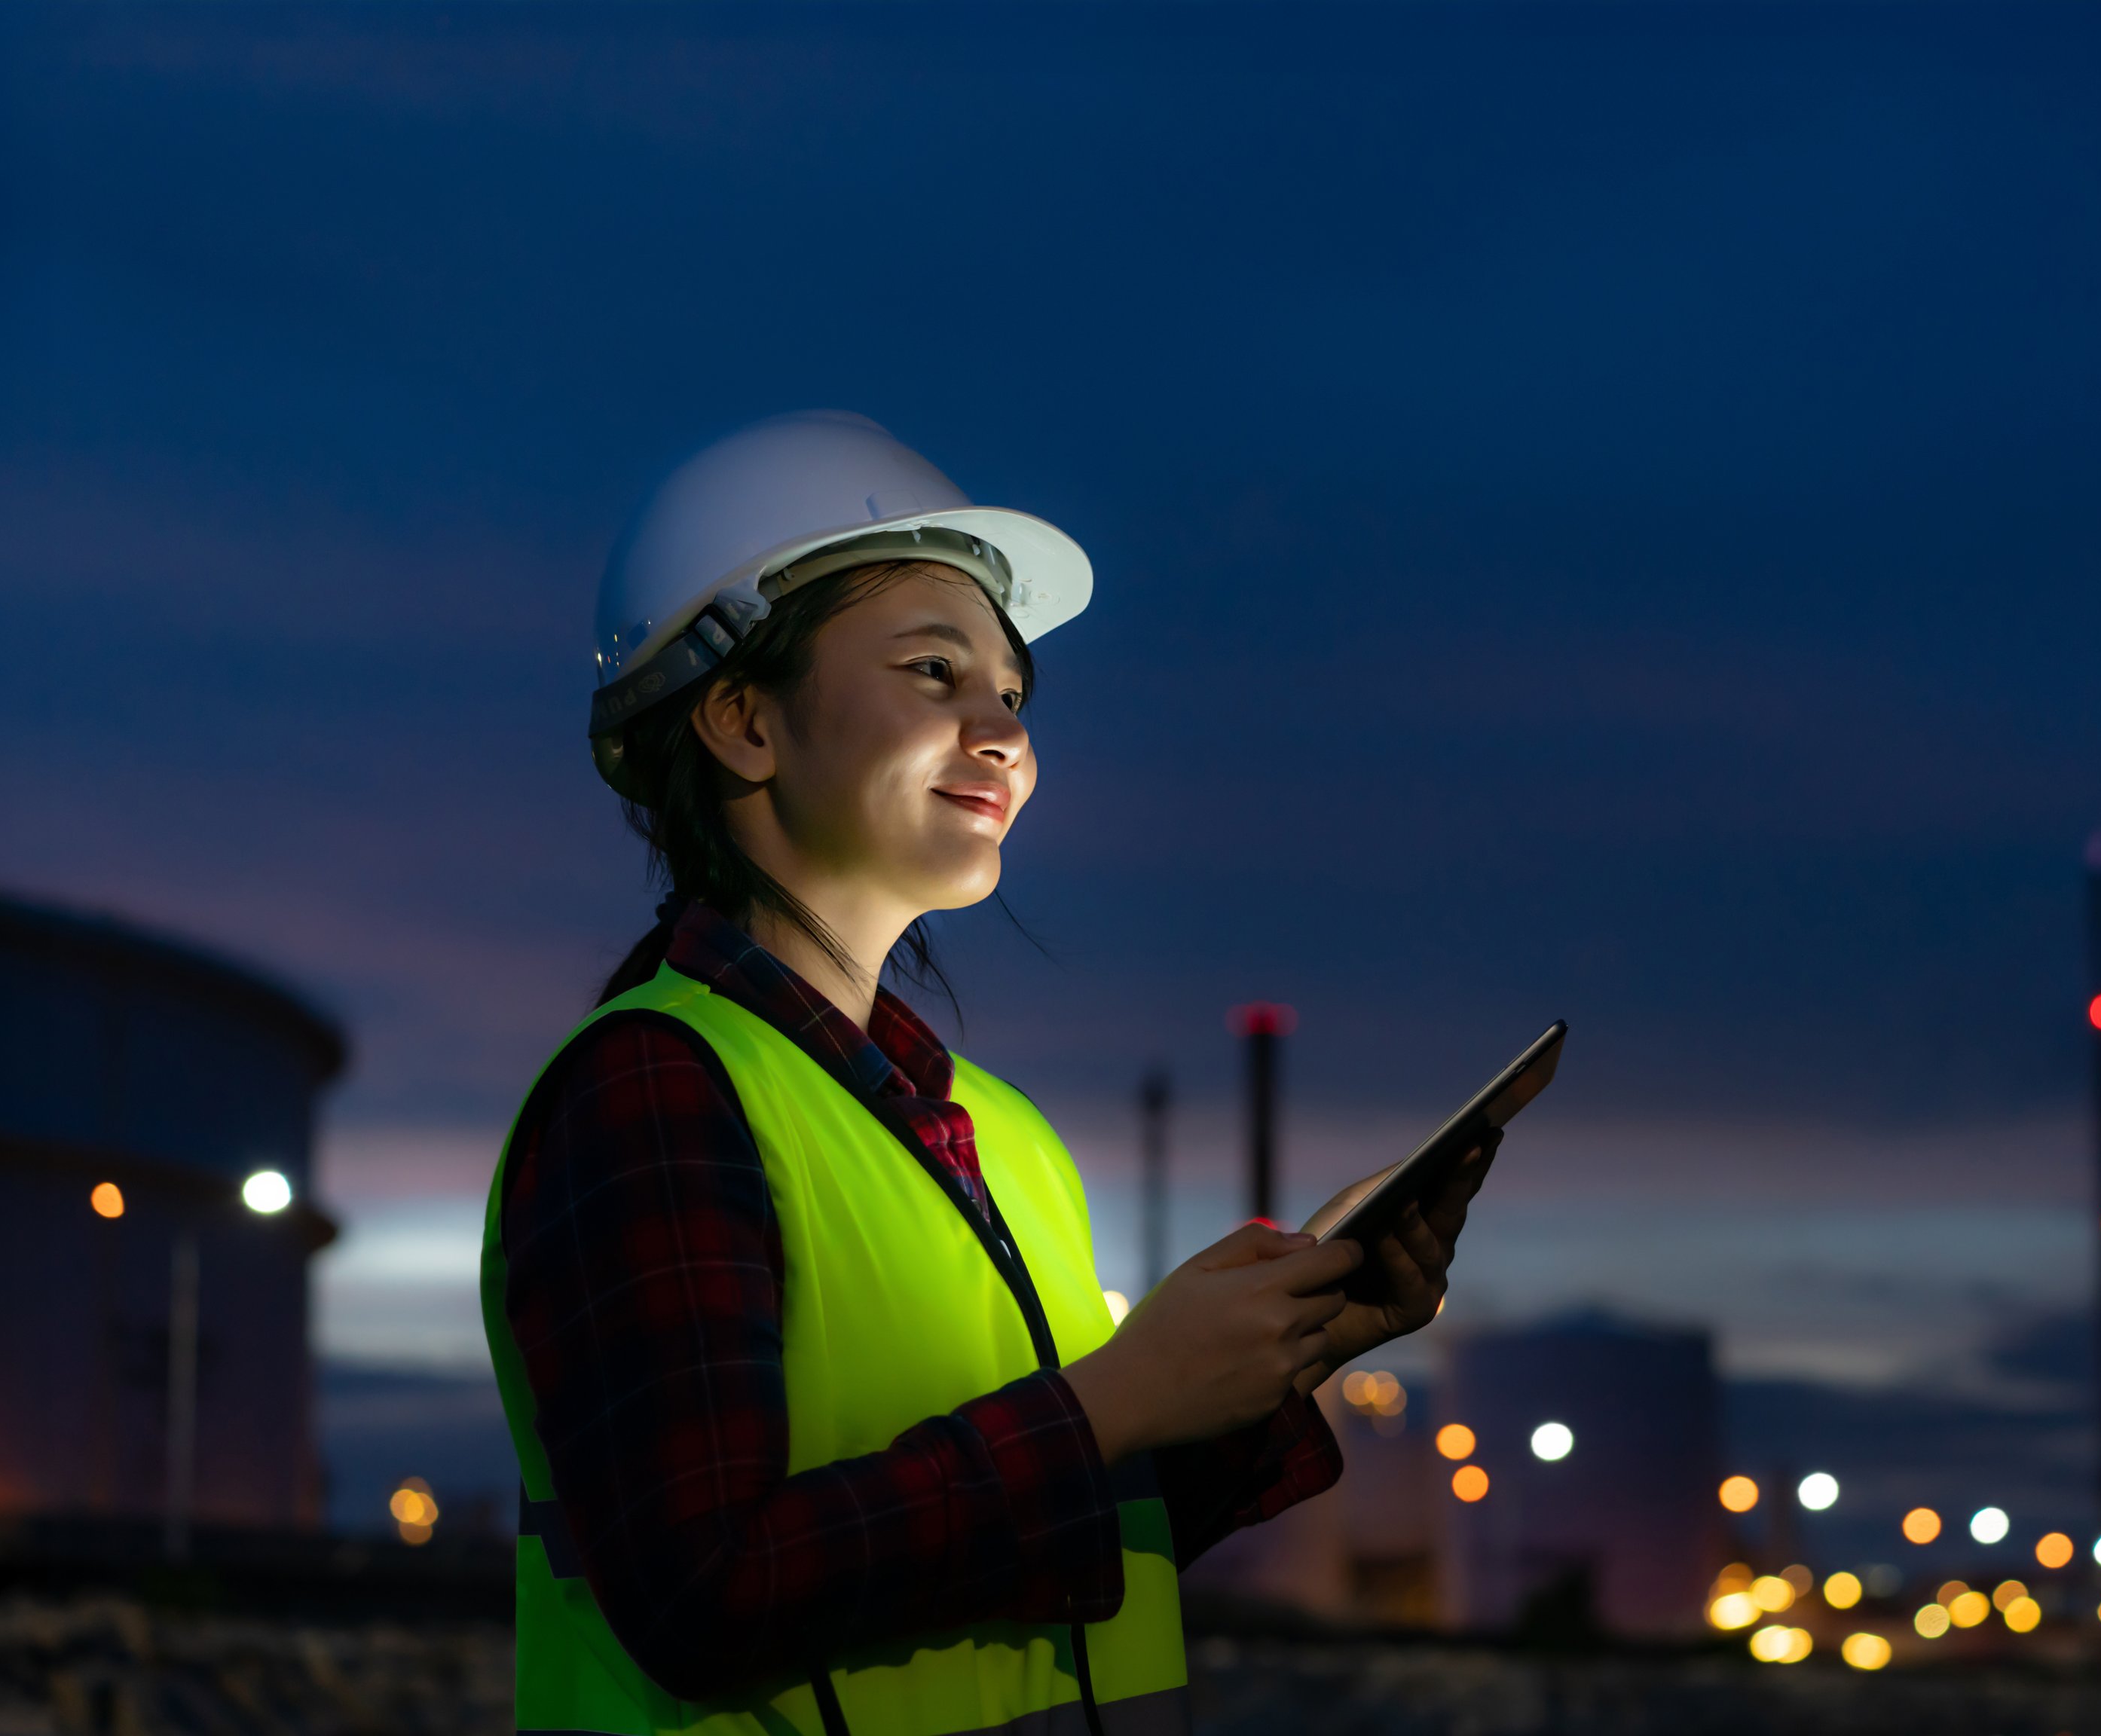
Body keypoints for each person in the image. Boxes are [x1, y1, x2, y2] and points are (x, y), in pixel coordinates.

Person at [479, 411, 1488, 1736]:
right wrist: (1119, 1394)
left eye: (1011, 694)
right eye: (934, 672)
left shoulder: (996, 1133)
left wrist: (1285, 1353)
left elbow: (1038, 1541)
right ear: (740, 720)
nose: (1000, 730)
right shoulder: (651, 1095)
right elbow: (703, 1594)